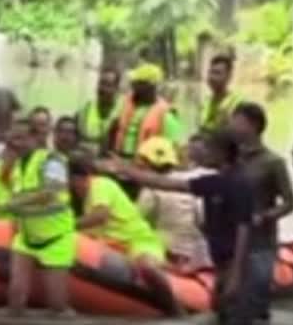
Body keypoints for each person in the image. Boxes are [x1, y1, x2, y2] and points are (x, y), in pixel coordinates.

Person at [107, 128, 254, 325]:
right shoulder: (214, 182)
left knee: (233, 314)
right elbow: (164, 183)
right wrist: (128, 171)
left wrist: (235, 275)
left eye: (209, 149)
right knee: (221, 313)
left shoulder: (239, 184)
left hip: (233, 264)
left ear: (222, 152)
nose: (205, 153)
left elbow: (244, 230)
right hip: (219, 264)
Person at [69, 159, 181, 316]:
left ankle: (177, 311)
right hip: (117, 248)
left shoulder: (101, 185)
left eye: (72, 182)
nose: (72, 188)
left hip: (139, 241)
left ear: (80, 177)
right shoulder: (88, 199)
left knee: (147, 268)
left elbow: (100, 216)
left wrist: (65, 225)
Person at [230, 102, 293, 324]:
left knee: (257, 302)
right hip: (231, 240)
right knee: (232, 305)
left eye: (238, 121)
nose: (233, 126)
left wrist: (265, 215)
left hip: (261, 242)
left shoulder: (274, 162)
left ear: (254, 125)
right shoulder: (230, 160)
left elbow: (289, 202)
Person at [0, 120, 74, 316]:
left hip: (56, 238)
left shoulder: (53, 160)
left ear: (35, 138)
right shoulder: (16, 166)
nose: (15, 142)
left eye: (21, 138)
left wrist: (15, 204)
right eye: (12, 138)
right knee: (15, 302)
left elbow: (51, 192)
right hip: (25, 238)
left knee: (57, 307)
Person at [135, 136, 211, 269]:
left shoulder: (150, 188)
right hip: (193, 253)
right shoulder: (188, 182)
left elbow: (137, 219)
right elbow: (202, 219)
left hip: (166, 250)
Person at [110, 63, 182, 160]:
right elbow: (114, 127)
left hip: (145, 167)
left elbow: (173, 149)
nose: (133, 85)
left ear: (150, 86)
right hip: (119, 159)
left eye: (137, 82)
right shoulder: (127, 103)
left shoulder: (166, 114)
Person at [77, 67, 121, 156]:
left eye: (107, 85)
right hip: (85, 163)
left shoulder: (122, 112)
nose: (102, 88)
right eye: (101, 83)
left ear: (116, 88)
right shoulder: (86, 109)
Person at [200, 55, 241, 134]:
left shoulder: (237, 103)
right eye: (210, 72)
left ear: (229, 77)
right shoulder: (205, 102)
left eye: (217, 73)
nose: (212, 77)